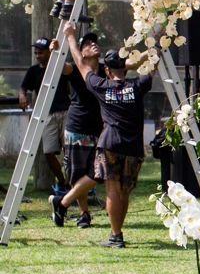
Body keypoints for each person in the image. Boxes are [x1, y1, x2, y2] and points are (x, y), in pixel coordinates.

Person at [62, 24, 152, 248]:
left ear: (108, 71)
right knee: (125, 191)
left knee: (112, 189)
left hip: (110, 143)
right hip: (134, 147)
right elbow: (152, 65)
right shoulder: (138, 85)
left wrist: (70, 37)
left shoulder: (101, 85)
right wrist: (157, 43)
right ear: (125, 69)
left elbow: (81, 65)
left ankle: (116, 236)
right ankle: (117, 233)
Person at [52, 29, 103, 230]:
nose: (93, 44)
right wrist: (55, 51)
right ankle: (84, 214)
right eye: (88, 43)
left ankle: (62, 202)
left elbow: (128, 65)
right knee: (78, 173)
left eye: (94, 41)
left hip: (100, 128)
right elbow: (59, 67)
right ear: (80, 52)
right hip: (77, 127)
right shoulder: (73, 69)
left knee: (100, 171)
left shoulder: (106, 69)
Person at [19, 36, 69, 191]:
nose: (38, 55)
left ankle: (74, 182)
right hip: (46, 115)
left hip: (65, 112)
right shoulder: (33, 71)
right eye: (36, 53)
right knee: (49, 152)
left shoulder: (59, 67)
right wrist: (22, 95)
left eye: (40, 52)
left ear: (49, 51)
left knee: (70, 150)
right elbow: (23, 87)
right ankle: (63, 182)